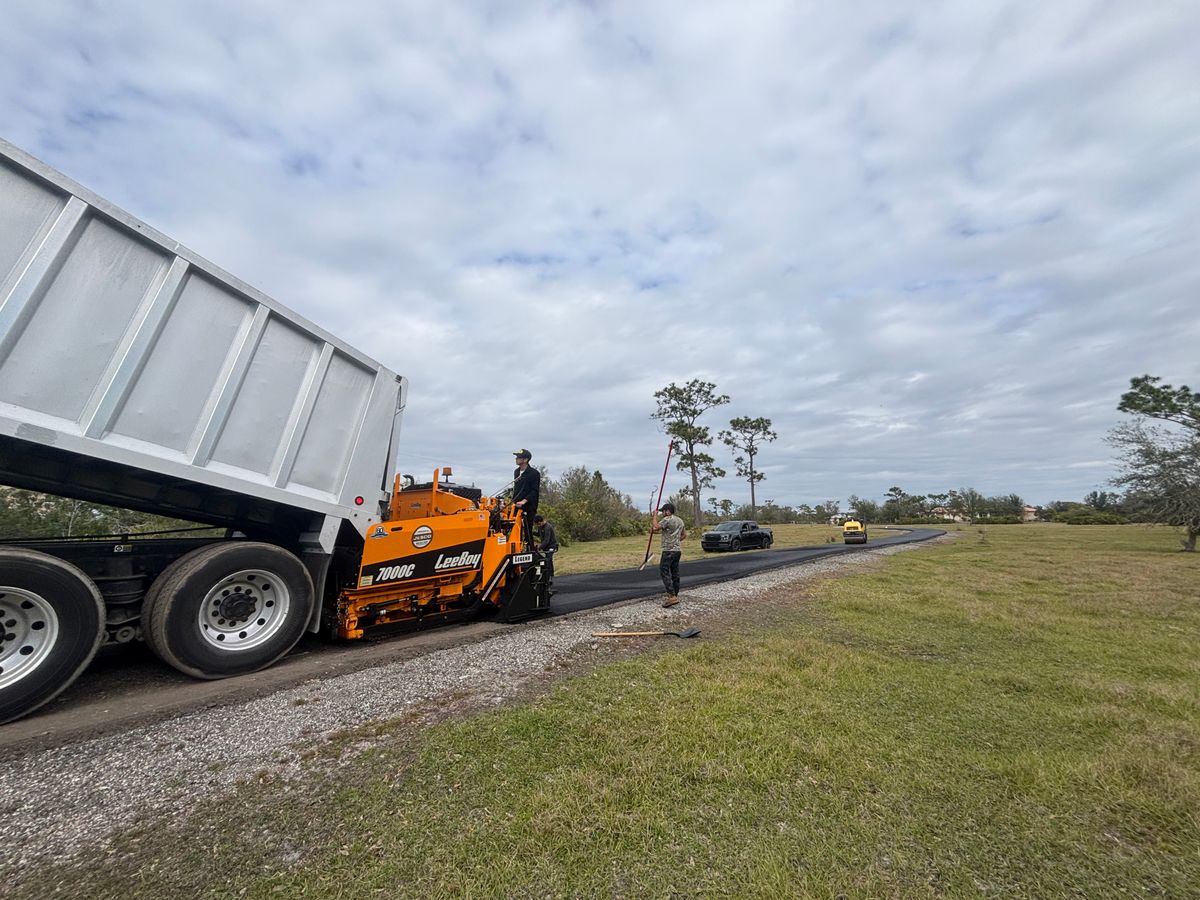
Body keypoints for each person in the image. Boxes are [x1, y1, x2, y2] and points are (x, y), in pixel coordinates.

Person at [651, 501, 686, 607]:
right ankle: (675, 593)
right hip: (677, 551)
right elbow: (684, 535)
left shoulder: (667, 519)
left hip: (668, 551)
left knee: (664, 571)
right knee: (675, 572)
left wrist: (654, 516)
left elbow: (656, 526)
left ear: (668, 511)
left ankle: (671, 596)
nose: (662, 513)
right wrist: (675, 540)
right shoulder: (680, 521)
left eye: (663, 511)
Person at [511, 448, 540, 544]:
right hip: (516, 505)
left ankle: (530, 550)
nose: (516, 459)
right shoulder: (516, 472)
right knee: (516, 529)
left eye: (519, 457)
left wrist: (524, 501)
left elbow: (534, 491)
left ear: (525, 460)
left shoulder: (534, 473)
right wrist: (512, 502)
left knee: (527, 530)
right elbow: (516, 489)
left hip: (528, 506)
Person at [533, 514, 558, 588]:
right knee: (547, 560)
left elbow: (546, 540)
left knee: (548, 559)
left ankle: (550, 577)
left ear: (541, 521)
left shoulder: (548, 527)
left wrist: (539, 548)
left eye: (538, 524)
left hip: (551, 546)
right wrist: (531, 532)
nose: (538, 525)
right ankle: (549, 575)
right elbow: (538, 534)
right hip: (546, 547)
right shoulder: (540, 527)